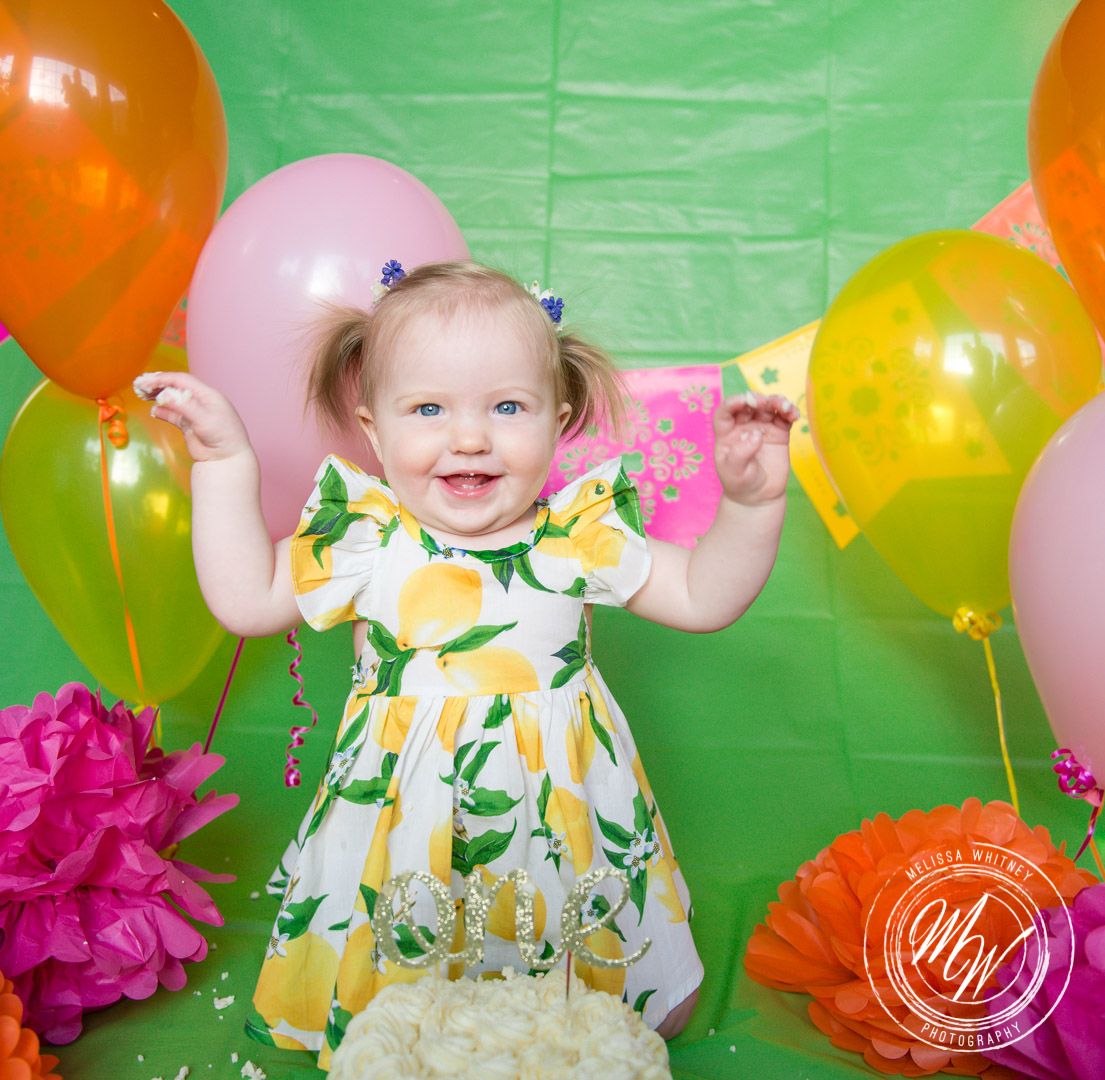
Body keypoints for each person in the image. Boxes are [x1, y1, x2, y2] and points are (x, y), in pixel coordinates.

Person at [137, 259, 799, 1069]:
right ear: (373, 428)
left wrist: (751, 505)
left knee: (584, 999)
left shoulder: (574, 538)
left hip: (558, 816)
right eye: (428, 409)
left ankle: (598, 1001)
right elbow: (245, 602)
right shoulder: (367, 539)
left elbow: (702, 596)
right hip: (403, 824)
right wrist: (223, 466)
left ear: (558, 421)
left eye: (507, 407)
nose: (470, 438)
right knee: (404, 998)